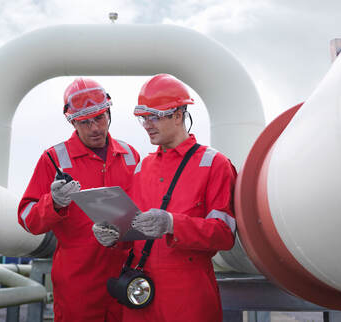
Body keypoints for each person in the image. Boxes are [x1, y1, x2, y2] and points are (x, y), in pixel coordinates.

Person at [92, 73, 237, 322]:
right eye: (143, 118)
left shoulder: (214, 164)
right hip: (141, 293)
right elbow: (134, 231)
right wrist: (114, 236)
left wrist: (172, 223)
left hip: (187, 297)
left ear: (178, 115)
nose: (147, 124)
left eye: (154, 117)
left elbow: (224, 234)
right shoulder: (142, 167)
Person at [18, 78, 140, 322]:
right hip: (78, 283)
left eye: (100, 118)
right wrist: (53, 203)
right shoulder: (53, 159)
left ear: (109, 112)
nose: (94, 128)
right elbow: (27, 219)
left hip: (126, 276)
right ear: (72, 121)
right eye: (85, 122)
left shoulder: (129, 155)